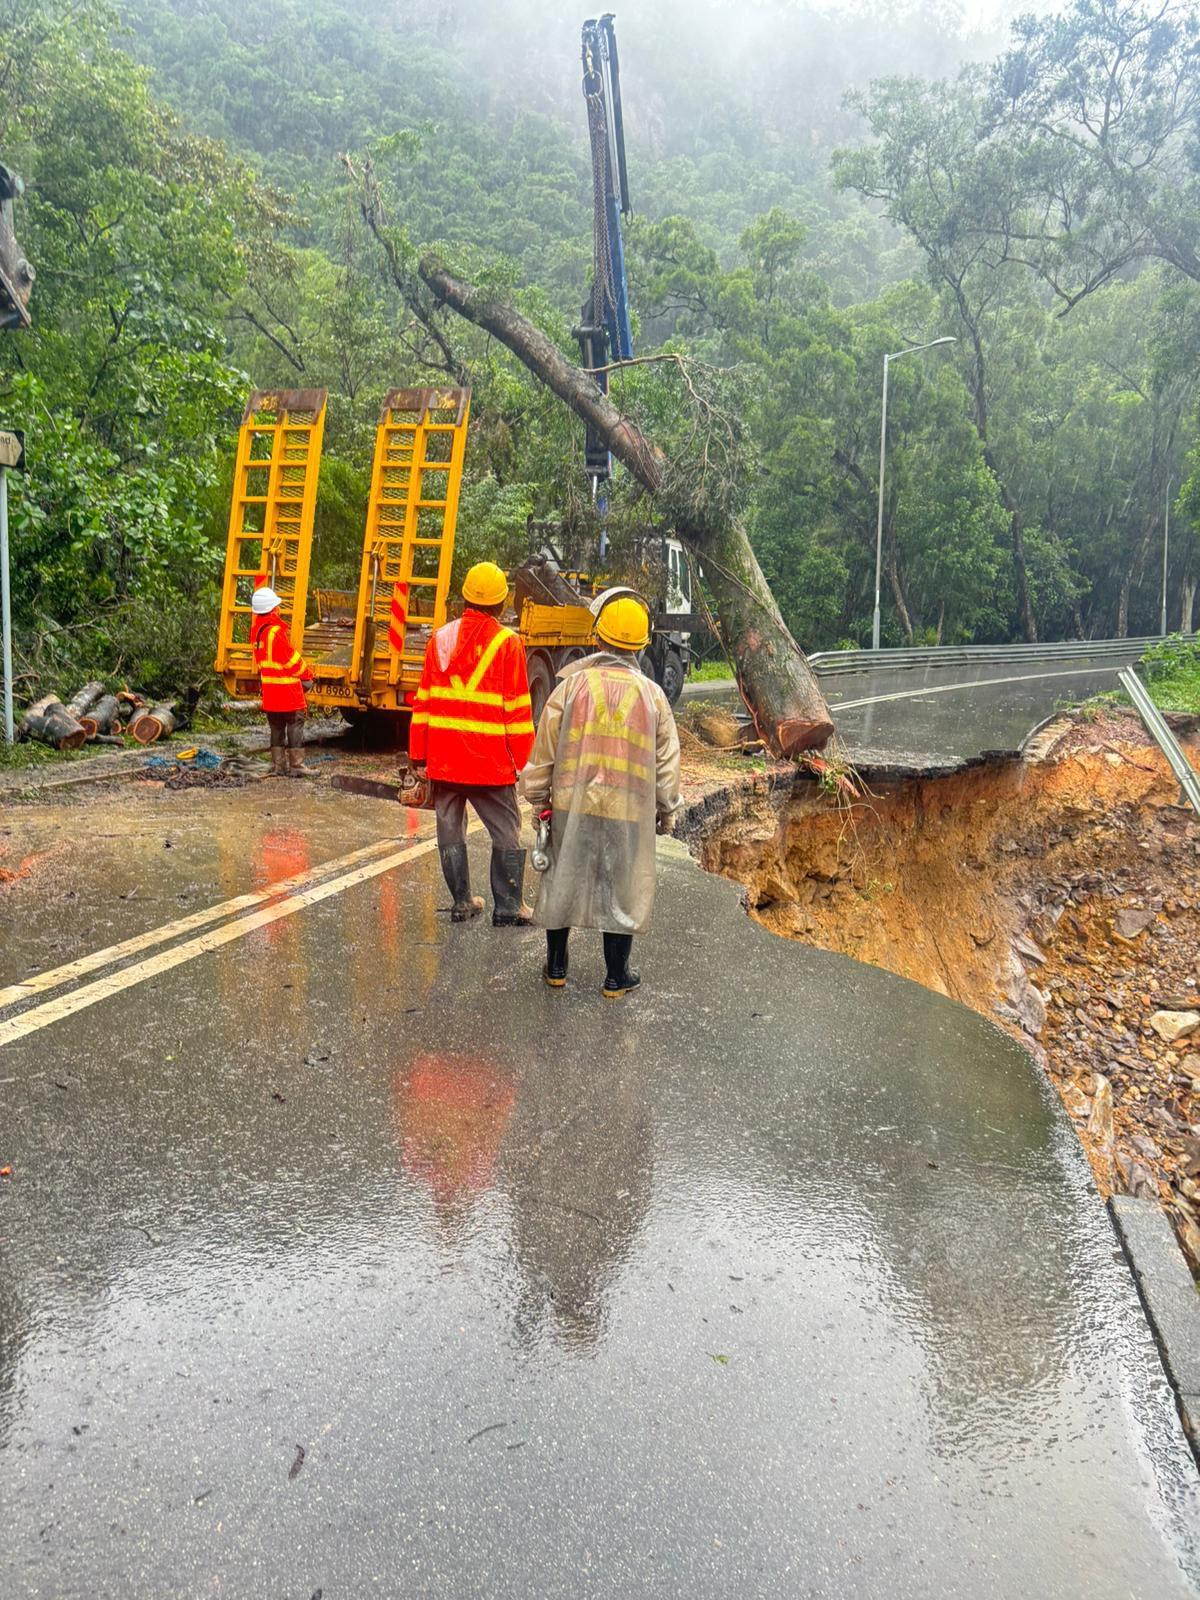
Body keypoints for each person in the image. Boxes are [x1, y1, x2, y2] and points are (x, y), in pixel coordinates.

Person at [521, 594, 682, 998]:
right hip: (629, 809)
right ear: (641, 646)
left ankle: (556, 968)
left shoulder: (569, 688)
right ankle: (616, 977)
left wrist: (539, 798)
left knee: (561, 878)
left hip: (572, 804)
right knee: (622, 887)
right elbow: (666, 764)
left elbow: (545, 751)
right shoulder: (654, 697)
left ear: (598, 640)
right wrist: (667, 810)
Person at [409, 560, 536, 926]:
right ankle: (510, 907)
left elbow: (424, 703)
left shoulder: (440, 639)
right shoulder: (508, 644)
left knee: (450, 828)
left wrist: (419, 756)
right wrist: (524, 764)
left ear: (464, 598)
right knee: (507, 831)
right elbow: (517, 712)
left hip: (445, 760)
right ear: (501, 603)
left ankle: (462, 902)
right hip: (488, 763)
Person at [250, 585, 314, 778]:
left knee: (276, 726)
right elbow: (290, 659)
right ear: (273, 609)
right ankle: (297, 766)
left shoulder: (258, 632)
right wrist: (307, 674)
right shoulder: (275, 632)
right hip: (286, 689)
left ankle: (279, 766)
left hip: (271, 691)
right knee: (295, 724)